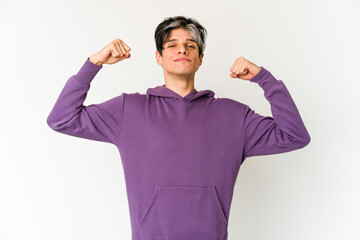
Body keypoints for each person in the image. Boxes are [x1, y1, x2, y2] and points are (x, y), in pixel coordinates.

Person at [47, 16, 310, 240]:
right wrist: (94, 63)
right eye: (172, 45)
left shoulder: (233, 115)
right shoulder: (129, 110)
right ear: (159, 57)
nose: (181, 50)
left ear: (200, 59)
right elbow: (62, 118)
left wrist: (265, 80)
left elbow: (294, 135)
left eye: (190, 45)